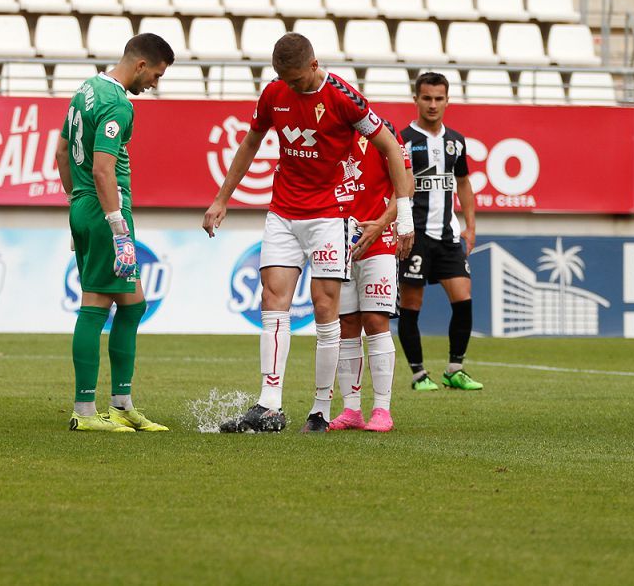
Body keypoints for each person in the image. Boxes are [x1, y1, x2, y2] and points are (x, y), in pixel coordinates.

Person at [204, 32, 414, 433]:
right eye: (286, 80)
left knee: (324, 308)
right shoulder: (274, 93)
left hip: (327, 216)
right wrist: (222, 198)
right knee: (273, 299)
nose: (293, 88)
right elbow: (251, 142)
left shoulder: (343, 98)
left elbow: (389, 146)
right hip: (282, 210)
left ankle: (320, 409)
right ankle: (269, 403)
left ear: (315, 66)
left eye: (299, 80)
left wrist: (403, 215)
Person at [55, 33, 175, 433]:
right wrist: (115, 225)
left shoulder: (86, 89)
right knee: (96, 303)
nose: (155, 84)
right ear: (141, 65)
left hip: (86, 206)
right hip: (107, 210)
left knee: (133, 303)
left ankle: (121, 404)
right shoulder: (117, 104)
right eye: (156, 75)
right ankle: (86, 412)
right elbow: (103, 169)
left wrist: (77, 203)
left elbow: (61, 151)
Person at [397, 72, 483, 392]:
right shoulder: (403, 140)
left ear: (448, 100)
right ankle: (419, 374)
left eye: (439, 99)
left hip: (448, 237)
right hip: (415, 235)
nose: (433, 105)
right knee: (411, 305)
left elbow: (462, 182)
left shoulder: (456, 141)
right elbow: (394, 187)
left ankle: (454, 369)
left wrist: (470, 227)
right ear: (416, 99)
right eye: (427, 98)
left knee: (463, 299)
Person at [329, 120, 414, 433]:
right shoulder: (325, 132)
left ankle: (382, 409)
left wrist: (381, 223)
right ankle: (351, 409)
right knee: (346, 324)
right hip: (337, 240)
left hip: (379, 239)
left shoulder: (382, 130)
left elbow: (407, 181)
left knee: (376, 320)